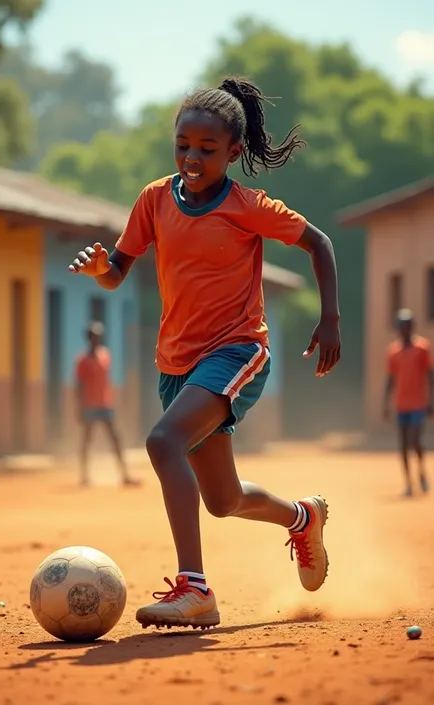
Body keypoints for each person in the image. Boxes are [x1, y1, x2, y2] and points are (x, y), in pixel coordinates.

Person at [69, 76, 341, 629]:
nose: (192, 157)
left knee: (162, 440)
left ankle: (194, 588)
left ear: (234, 152)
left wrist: (330, 317)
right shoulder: (153, 199)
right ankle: (302, 517)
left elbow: (319, 242)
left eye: (207, 149)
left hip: (237, 349)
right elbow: (119, 271)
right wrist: (103, 269)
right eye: (183, 146)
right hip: (175, 363)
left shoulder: (248, 206)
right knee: (223, 499)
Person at [75, 321, 141, 488]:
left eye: (98, 336)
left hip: (105, 404)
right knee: (87, 441)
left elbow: (107, 381)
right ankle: (84, 476)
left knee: (115, 439)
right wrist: (79, 409)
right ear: (88, 338)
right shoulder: (82, 360)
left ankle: (125, 475)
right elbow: (79, 386)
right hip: (89, 406)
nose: (96, 339)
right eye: (93, 336)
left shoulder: (105, 355)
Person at [384, 309, 433, 497]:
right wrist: (385, 404)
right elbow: (390, 379)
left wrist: (431, 401)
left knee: (415, 441)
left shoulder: (422, 348)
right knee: (403, 445)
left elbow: (430, 375)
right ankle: (409, 483)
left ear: (411, 327)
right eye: (401, 326)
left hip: (418, 404)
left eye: (406, 326)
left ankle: (421, 472)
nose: (403, 330)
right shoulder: (393, 352)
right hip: (401, 405)